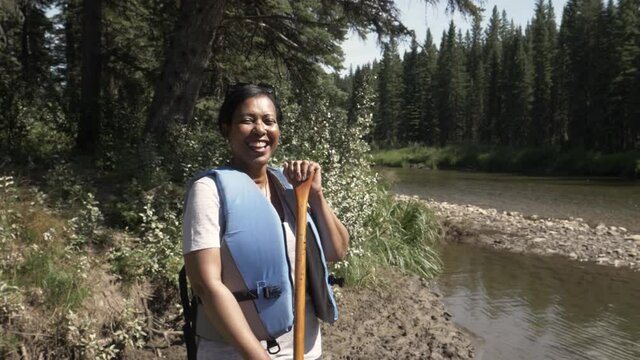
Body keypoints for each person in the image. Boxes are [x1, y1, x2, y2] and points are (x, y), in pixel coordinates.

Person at [182, 83, 349, 359]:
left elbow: (336, 250)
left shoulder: (291, 188)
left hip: (304, 349)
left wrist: (316, 195)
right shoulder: (208, 191)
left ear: (278, 131)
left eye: (269, 121)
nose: (260, 129)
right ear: (227, 128)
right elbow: (205, 285)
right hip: (236, 353)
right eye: (247, 120)